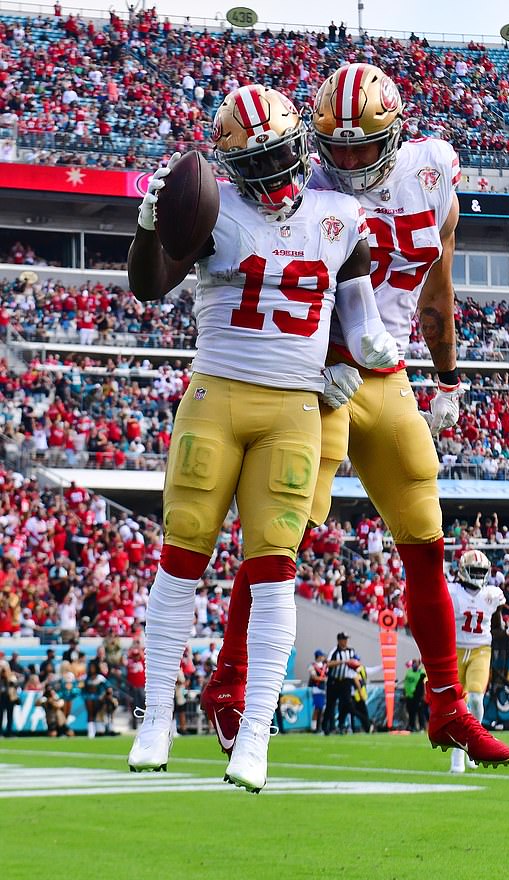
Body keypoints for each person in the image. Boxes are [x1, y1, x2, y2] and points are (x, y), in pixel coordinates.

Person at [207, 64, 509, 772]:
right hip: (320, 374)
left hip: (390, 369)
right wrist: (312, 359)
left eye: (359, 147)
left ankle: (446, 704)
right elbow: (281, 281)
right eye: (334, 149)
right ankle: (228, 678)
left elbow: (439, 288)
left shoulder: (434, 170)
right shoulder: (304, 189)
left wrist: (448, 375)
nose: (345, 163)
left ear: (395, 133)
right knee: (280, 535)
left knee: (425, 533)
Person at [127, 84, 398, 791]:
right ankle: (156, 717)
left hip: (293, 413)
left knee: (275, 567)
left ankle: (254, 735)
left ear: (299, 148)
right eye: (260, 164)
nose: (275, 179)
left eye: (282, 159)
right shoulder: (213, 210)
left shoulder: (341, 215)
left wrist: (346, 365)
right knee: (182, 548)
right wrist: (148, 229)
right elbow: (150, 287)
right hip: (216, 392)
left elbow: (364, 325)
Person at [447, 550, 505, 773]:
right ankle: (461, 749)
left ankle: (468, 745)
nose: (479, 575)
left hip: (481, 649)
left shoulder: (492, 594)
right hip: (455, 650)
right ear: (463, 571)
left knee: (477, 699)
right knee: (456, 704)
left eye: (482, 571)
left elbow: (498, 626)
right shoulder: (452, 592)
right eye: (475, 571)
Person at [322, 632, 359, 734]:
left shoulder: (351, 650)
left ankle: (341, 726)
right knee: (330, 705)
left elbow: (356, 661)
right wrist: (342, 662)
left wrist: (355, 664)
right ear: (339, 640)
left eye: (347, 639)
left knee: (346, 704)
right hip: (334, 681)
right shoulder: (334, 651)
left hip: (346, 681)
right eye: (344, 639)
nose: (346, 641)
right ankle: (325, 728)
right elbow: (328, 663)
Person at [82, 659, 107, 739]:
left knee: (98, 713)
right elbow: (84, 689)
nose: (91, 669)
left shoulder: (100, 678)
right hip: (89, 698)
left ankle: (100, 730)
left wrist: (102, 696)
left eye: (93, 667)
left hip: (99, 698)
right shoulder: (87, 678)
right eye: (90, 667)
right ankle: (91, 731)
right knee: (90, 712)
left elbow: (107, 688)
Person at [307, 649, 328, 732]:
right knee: (317, 708)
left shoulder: (324, 666)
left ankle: (319, 726)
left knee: (322, 708)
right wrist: (323, 679)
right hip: (317, 688)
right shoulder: (312, 666)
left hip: (323, 689)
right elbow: (313, 677)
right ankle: (314, 726)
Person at [402, 659, 426, 732]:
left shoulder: (421, 673)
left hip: (417, 695)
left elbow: (423, 676)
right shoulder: (409, 672)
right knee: (411, 713)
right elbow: (406, 683)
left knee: (420, 712)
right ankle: (412, 726)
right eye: (413, 663)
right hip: (409, 695)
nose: (414, 665)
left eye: (416, 663)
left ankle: (422, 727)